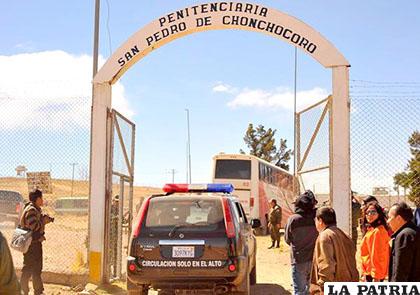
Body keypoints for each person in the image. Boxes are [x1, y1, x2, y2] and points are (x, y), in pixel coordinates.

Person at [310, 207, 358, 294]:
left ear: (320, 221)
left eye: (315, 220)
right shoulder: (345, 235)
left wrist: (324, 288)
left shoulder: (324, 237)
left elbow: (326, 265)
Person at [285, 190, 318, 295]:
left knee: (299, 291)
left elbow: (287, 239)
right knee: (313, 290)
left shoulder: (293, 219)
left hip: (299, 260)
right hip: (315, 259)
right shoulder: (317, 219)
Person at [20, 189, 53, 295]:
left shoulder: (33, 209)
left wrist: (43, 220)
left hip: (32, 243)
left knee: (32, 268)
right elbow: (34, 226)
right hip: (32, 244)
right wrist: (43, 221)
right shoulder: (31, 210)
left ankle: (28, 290)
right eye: (41, 198)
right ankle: (31, 290)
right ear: (37, 199)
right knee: (32, 268)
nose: (43, 200)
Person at [387, 202, 420, 281]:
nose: (388, 221)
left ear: (398, 218)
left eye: (389, 217)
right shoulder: (413, 231)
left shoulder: (404, 236)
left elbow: (400, 270)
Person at [360, 203, 390, 282]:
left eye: (373, 212)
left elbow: (377, 256)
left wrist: (376, 277)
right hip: (369, 272)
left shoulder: (378, 232)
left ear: (379, 214)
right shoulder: (372, 229)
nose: (370, 215)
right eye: (367, 212)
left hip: (374, 275)